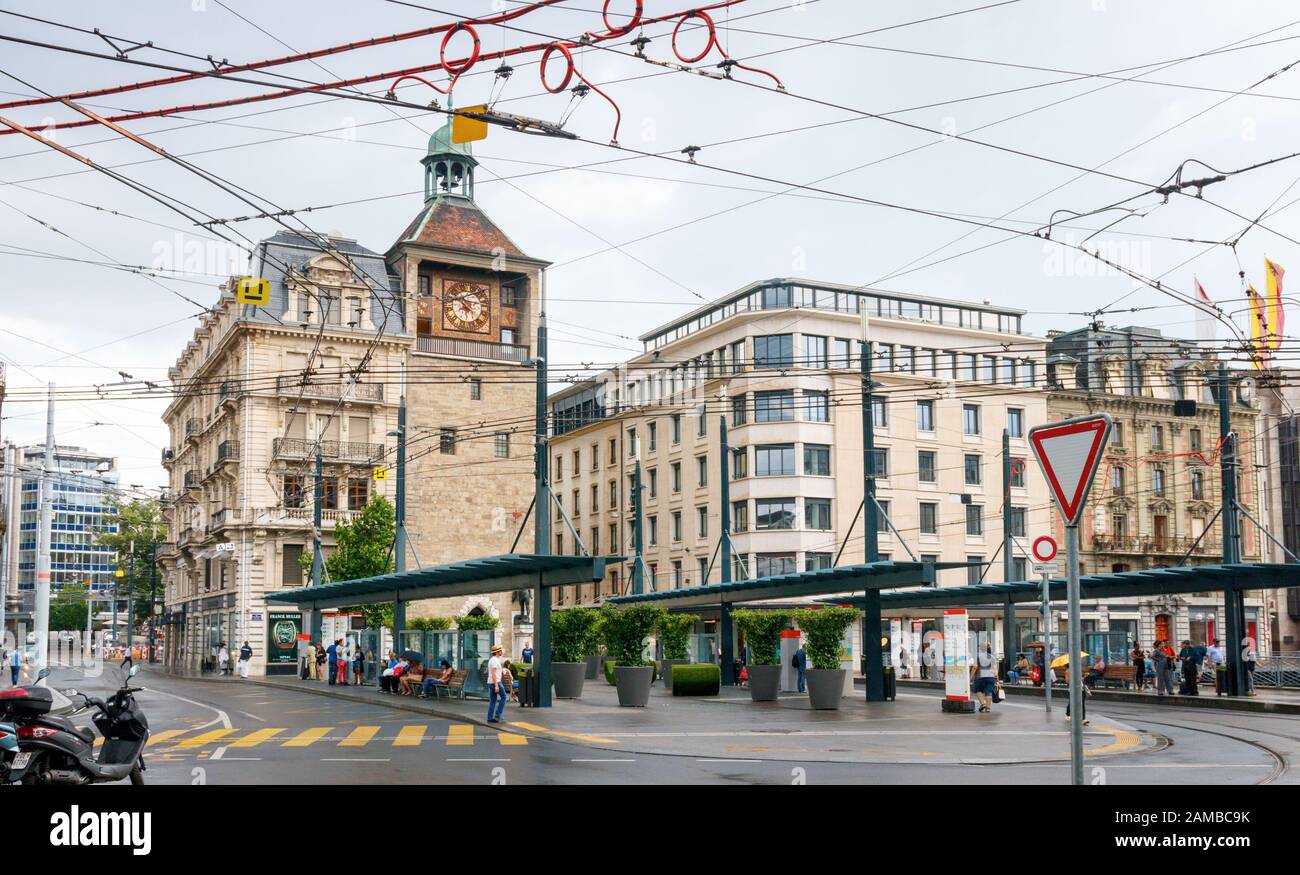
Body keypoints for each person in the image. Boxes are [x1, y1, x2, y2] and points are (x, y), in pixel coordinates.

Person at [970, 642, 998, 713]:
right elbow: (995, 669)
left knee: (978, 690)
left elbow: (974, 668)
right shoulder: (992, 657)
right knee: (988, 691)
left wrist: (970, 677)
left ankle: (983, 704)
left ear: (980, 648)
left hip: (980, 677)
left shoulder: (977, 656)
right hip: (990, 677)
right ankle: (988, 708)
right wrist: (996, 677)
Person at [487, 643, 506, 723]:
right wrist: (496, 686)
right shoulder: (495, 661)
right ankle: (498, 714)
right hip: (496, 682)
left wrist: (502, 671)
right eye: (501, 650)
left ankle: (490, 717)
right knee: (504, 697)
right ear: (498, 652)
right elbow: (494, 673)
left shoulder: (494, 659)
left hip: (491, 682)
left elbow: (494, 672)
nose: (502, 652)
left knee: (493, 701)